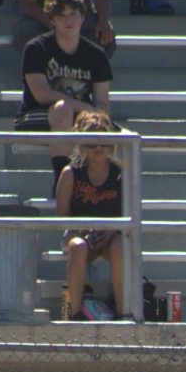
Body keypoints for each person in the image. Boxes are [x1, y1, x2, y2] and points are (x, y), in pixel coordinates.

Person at [15, 0, 112, 190]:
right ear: (52, 19)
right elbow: (42, 95)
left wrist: (99, 121)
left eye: (73, 14)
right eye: (61, 15)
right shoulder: (35, 48)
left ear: (83, 18)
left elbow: (102, 102)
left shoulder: (96, 55)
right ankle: (62, 185)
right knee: (62, 110)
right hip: (37, 115)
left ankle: (108, 191)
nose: (68, 21)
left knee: (116, 133)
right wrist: (87, 109)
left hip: (80, 116)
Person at [56, 110, 125, 321]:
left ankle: (124, 313)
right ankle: (76, 314)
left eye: (103, 142)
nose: (98, 148)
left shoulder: (121, 172)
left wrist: (111, 230)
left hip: (111, 235)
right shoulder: (70, 173)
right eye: (91, 143)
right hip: (79, 233)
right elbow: (62, 218)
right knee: (78, 247)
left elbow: (128, 213)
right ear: (82, 144)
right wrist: (83, 230)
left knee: (121, 246)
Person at [12, 0, 115, 57]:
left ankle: (85, 79)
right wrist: (54, 26)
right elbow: (28, 3)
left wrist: (103, 22)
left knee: (103, 37)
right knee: (25, 34)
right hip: (42, 18)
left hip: (79, 17)